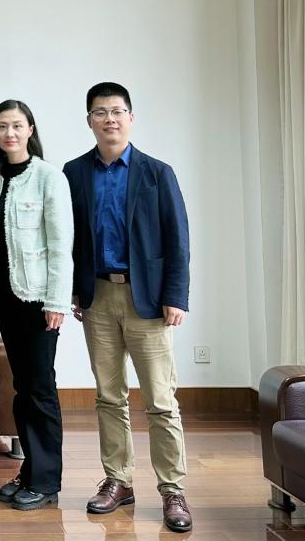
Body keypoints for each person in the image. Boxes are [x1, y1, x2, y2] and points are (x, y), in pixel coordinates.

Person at [63, 82, 192, 532]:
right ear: (89, 121)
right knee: (109, 395)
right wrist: (73, 289)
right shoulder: (75, 172)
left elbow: (178, 240)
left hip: (148, 299)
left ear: (131, 118)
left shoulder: (158, 173)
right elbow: (70, 237)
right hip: (98, 297)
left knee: (161, 400)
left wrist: (175, 296)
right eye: (100, 112)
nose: (109, 119)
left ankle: (173, 490)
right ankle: (118, 480)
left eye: (117, 111)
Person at [0, 100, 72, 510]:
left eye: (17, 125)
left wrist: (57, 301)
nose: (9, 133)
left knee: (40, 388)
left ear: (30, 129)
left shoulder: (49, 177)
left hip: (37, 300)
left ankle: (46, 481)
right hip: (5, 297)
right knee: (22, 387)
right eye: (2, 126)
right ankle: (30, 470)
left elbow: (61, 245)